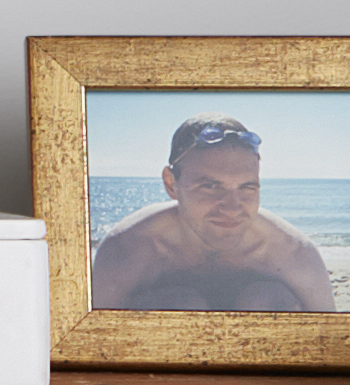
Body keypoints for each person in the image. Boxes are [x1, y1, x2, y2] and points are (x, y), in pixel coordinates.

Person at [91, 112, 333, 312]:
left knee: (268, 301)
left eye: (247, 187)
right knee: (175, 306)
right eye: (209, 186)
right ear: (171, 183)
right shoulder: (127, 249)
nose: (232, 207)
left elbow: (332, 351)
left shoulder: (292, 253)